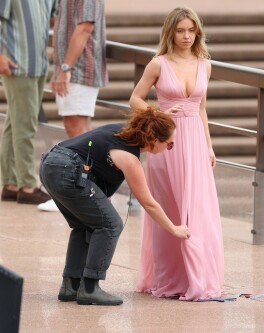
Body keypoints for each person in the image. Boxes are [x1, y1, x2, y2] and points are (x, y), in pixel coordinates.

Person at [39, 107, 190, 306]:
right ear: (154, 139)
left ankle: (71, 286)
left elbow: (148, 121)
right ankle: (90, 288)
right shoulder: (129, 158)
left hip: (50, 165)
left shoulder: (125, 132)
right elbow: (148, 203)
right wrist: (174, 228)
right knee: (111, 225)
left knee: (84, 225)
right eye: (169, 144)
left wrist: (163, 116)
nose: (169, 148)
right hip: (68, 170)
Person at [131, 7, 224, 301]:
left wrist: (209, 145)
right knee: (169, 207)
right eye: (181, 30)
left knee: (197, 210)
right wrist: (156, 112)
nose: (186, 36)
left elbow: (202, 109)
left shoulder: (204, 64)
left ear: (198, 33)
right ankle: (170, 278)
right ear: (170, 31)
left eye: (191, 30)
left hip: (195, 141)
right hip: (165, 143)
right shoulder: (158, 64)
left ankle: (197, 278)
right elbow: (134, 98)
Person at [38, 0, 107, 212]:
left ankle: (80, 195)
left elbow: (85, 27)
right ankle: (86, 193)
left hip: (78, 70)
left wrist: (65, 68)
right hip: (74, 70)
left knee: (77, 130)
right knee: (79, 132)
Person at [0, 0, 55, 205]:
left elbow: (53, 18)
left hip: (38, 64)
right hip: (17, 64)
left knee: (14, 123)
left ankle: (11, 183)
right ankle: (27, 185)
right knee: (25, 125)